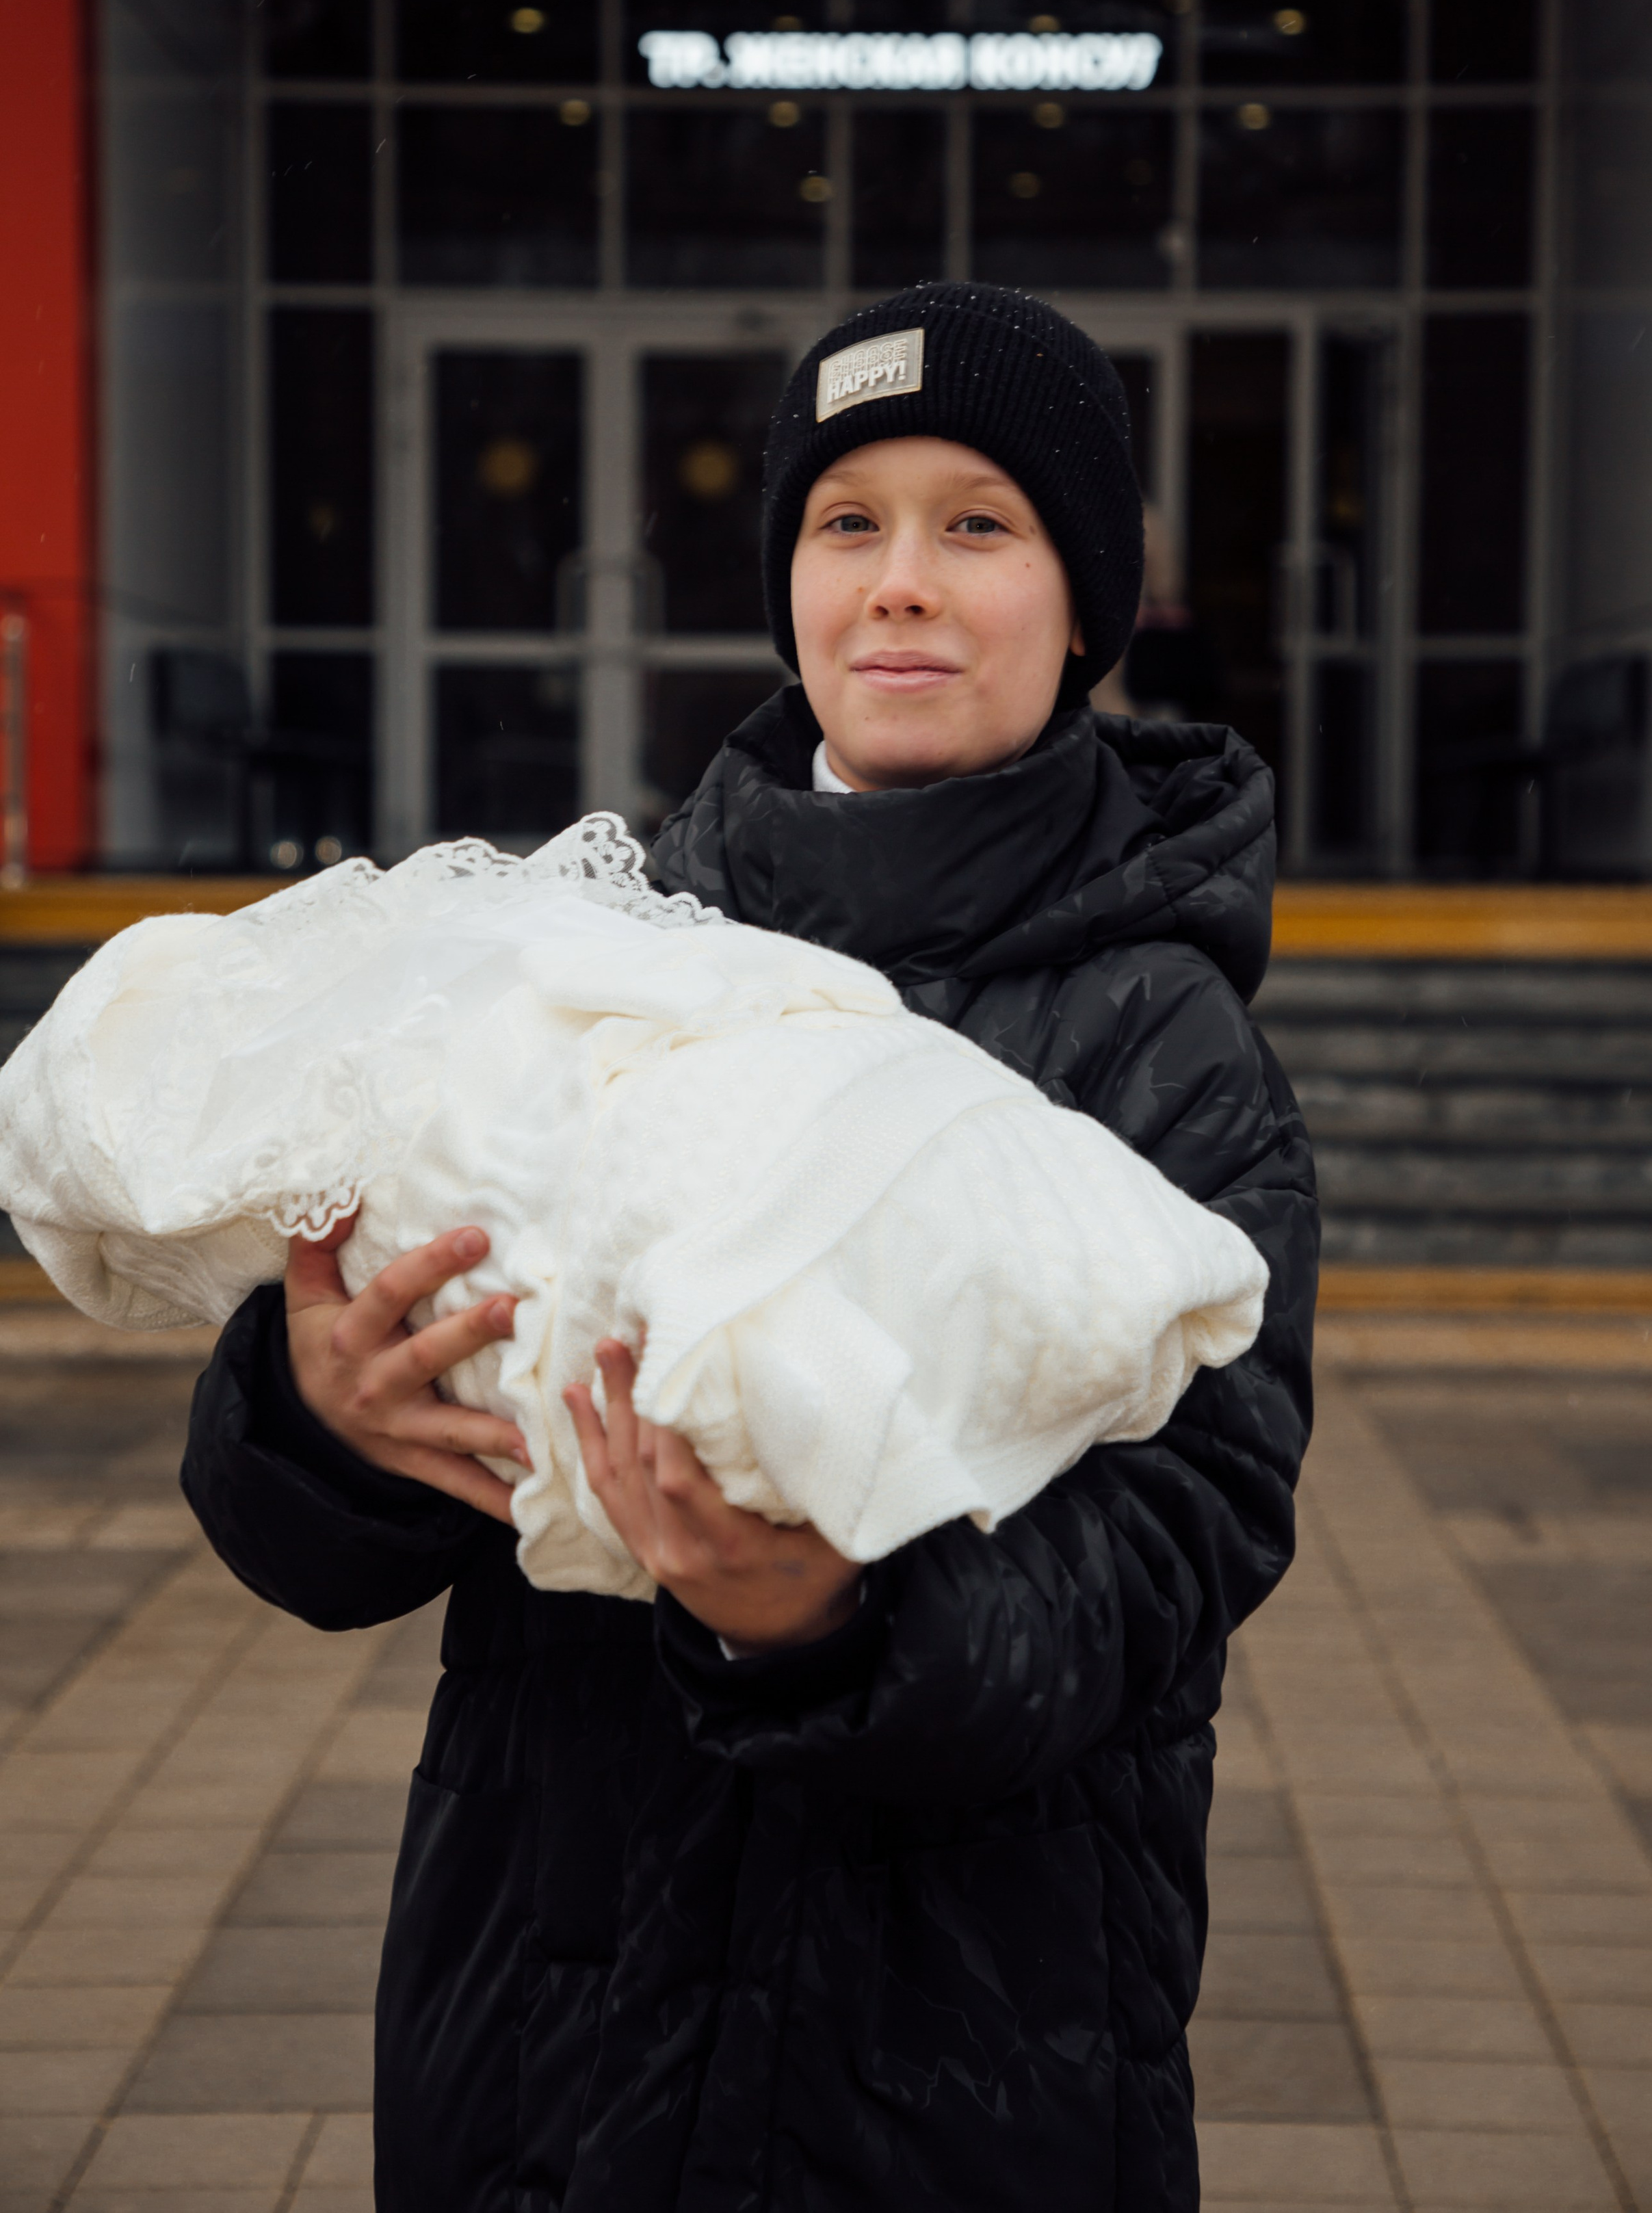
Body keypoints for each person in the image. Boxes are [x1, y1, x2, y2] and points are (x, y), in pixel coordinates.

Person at [182, 278, 1317, 2213]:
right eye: (846, 521)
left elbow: (1180, 1546)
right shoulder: (604, 955)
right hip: (545, 2006)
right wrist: (311, 1416)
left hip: (953, 2040)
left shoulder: (1162, 1038)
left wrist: (828, 1628)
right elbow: (366, 1462)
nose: (901, 581)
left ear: (1085, 600)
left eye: (981, 523)